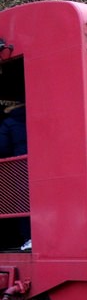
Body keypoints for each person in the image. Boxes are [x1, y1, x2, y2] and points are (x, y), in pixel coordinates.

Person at [0, 102, 30, 250]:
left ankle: (29, 238)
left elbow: (2, 147)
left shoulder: (9, 122)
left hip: (21, 166)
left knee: (24, 203)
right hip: (43, 162)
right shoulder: (35, 115)